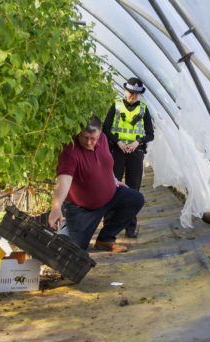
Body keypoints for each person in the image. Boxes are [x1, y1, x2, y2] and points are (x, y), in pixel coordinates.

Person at [48, 116, 144, 253]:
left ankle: (105, 238)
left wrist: (114, 179)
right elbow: (64, 180)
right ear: (79, 132)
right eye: (85, 137)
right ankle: (65, 228)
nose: (88, 142)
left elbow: (107, 162)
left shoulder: (104, 139)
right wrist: (56, 208)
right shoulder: (70, 149)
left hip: (110, 196)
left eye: (93, 138)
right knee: (72, 249)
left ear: (99, 134)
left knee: (136, 199)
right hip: (82, 208)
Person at [102, 77, 154, 238]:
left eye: (137, 94)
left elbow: (150, 134)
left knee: (133, 189)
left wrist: (137, 142)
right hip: (117, 151)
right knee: (113, 187)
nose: (133, 96)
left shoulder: (144, 109)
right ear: (125, 91)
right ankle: (109, 226)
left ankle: (130, 227)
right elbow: (105, 128)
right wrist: (117, 142)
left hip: (135, 153)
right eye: (131, 93)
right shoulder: (116, 106)